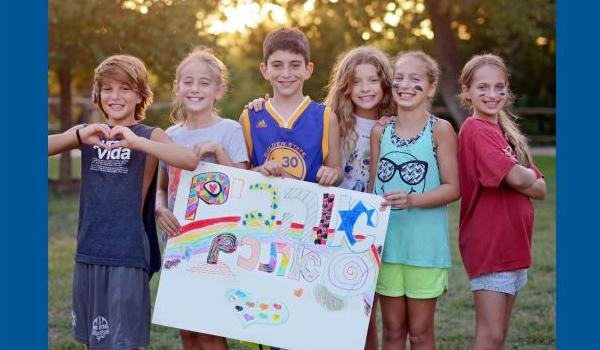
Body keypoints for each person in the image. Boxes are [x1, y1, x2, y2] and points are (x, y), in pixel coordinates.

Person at [246, 46, 396, 349]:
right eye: (356, 81)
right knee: (331, 309)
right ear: (345, 87)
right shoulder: (335, 119)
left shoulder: (394, 124)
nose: (365, 89)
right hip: (332, 224)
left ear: (385, 84)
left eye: (373, 80)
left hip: (377, 222)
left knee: (365, 313)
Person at [48, 54, 198, 349]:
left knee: (122, 343)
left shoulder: (149, 135)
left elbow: (189, 159)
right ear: (98, 94)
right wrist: (77, 135)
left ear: (140, 94)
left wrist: (135, 141)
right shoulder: (89, 134)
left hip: (127, 252)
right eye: (107, 89)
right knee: (95, 340)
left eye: (125, 88)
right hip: (90, 249)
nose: (115, 96)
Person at [154, 47, 249, 350]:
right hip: (178, 242)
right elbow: (161, 186)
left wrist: (217, 151)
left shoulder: (229, 131)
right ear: (178, 87)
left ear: (219, 90)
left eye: (204, 83)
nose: (195, 89)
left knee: (209, 331)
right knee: (187, 331)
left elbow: (247, 186)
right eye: (188, 82)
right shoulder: (170, 135)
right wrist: (159, 208)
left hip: (215, 247)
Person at [368, 51, 460, 350]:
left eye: (415, 79)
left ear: (431, 88)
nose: (405, 85)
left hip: (424, 249)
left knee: (420, 333)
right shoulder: (381, 131)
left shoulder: (440, 130)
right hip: (388, 247)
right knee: (392, 330)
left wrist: (412, 200)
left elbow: (453, 188)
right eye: (399, 78)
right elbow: (372, 188)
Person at [457, 54, 546, 350]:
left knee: (500, 336)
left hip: (515, 243)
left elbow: (541, 188)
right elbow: (522, 180)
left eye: (499, 87)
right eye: (482, 87)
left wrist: (523, 176)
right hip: (491, 243)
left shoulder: (504, 132)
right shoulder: (476, 130)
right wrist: (523, 176)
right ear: (466, 90)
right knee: (490, 335)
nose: (492, 95)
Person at [239, 27, 342, 187]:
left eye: (295, 65)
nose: (286, 73)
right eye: (277, 65)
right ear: (265, 70)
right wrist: (260, 170)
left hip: (307, 209)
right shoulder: (250, 117)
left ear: (308, 70)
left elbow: (337, 169)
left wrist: (333, 173)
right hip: (262, 208)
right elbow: (239, 176)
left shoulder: (326, 117)